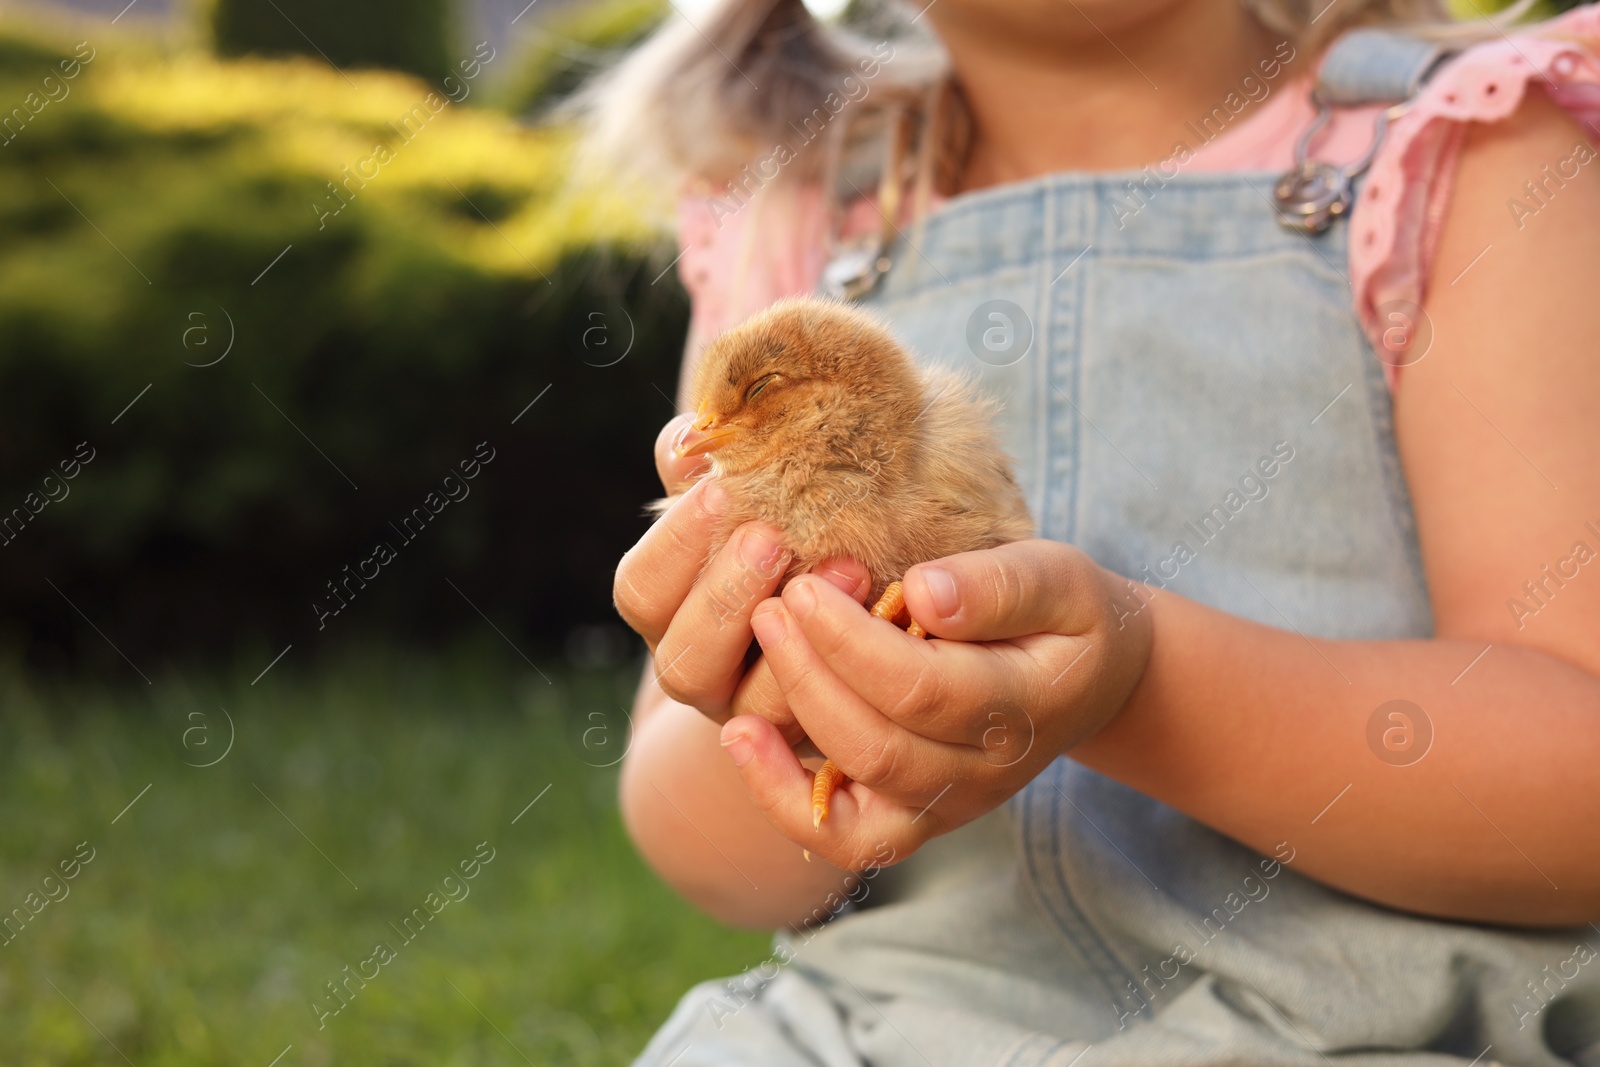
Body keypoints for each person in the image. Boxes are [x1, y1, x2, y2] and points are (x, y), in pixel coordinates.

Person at [598, 0, 1600, 1062]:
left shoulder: (1471, 151)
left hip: (1372, 1017)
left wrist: (1137, 680)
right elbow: (690, 830)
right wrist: (795, 712)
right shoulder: (798, 208)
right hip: (897, 1021)